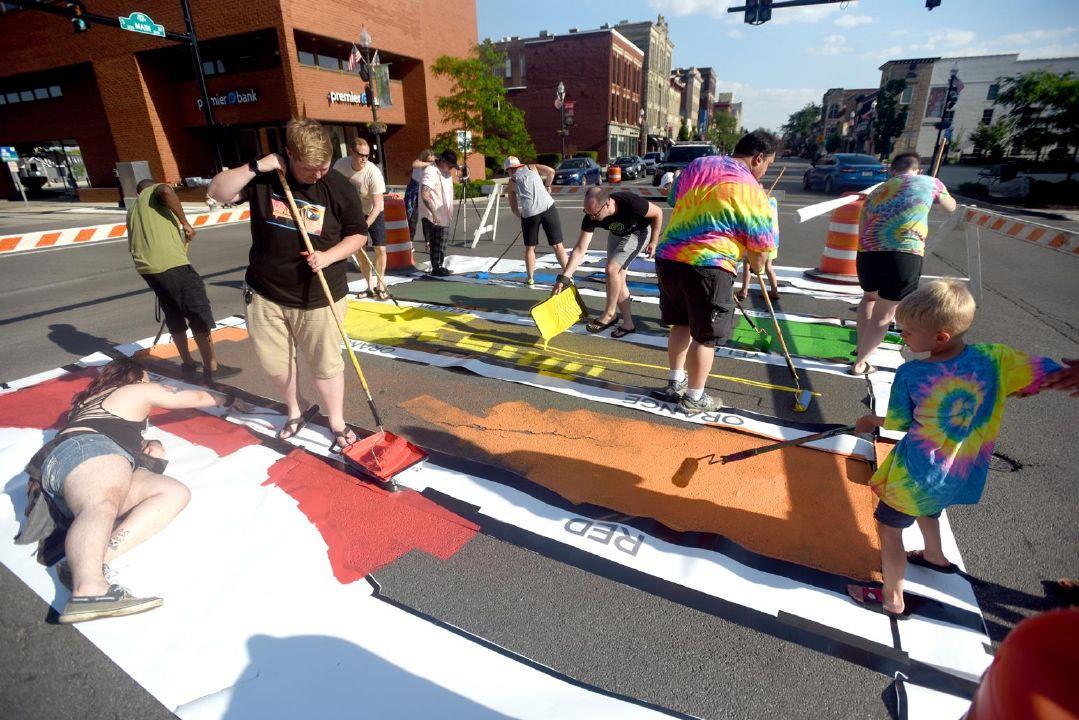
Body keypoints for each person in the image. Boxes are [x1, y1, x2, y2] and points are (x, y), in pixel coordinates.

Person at [847, 279, 1063, 617]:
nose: (901, 336)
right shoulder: (996, 358)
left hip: (917, 473)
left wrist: (869, 421)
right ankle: (935, 557)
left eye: (907, 332)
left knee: (889, 532)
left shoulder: (913, 373)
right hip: (958, 472)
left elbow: (900, 422)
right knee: (929, 507)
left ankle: (892, 599)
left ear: (940, 337)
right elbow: (1046, 372)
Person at [28, 358, 232, 623]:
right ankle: (89, 590)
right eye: (148, 378)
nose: (151, 383)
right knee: (100, 504)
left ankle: (86, 562)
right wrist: (227, 399)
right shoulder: (134, 389)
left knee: (172, 493)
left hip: (71, 466)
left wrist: (149, 446)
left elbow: (114, 431)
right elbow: (194, 397)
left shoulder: (86, 404)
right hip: (87, 451)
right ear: (134, 377)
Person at [207, 118, 367, 451]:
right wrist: (256, 165)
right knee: (275, 363)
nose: (318, 174)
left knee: (325, 363)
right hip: (266, 292)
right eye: (310, 169)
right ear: (289, 155)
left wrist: (328, 256)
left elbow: (358, 235)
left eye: (323, 167)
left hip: (319, 295)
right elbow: (217, 191)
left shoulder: (338, 186)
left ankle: (336, 421)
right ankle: (297, 409)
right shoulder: (265, 179)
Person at [647, 131, 778, 412]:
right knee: (705, 337)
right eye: (767, 164)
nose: (765, 171)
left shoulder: (697, 164)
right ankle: (694, 398)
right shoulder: (752, 190)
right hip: (708, 264)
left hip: (670, 256)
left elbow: (674, 199)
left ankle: (675, 382)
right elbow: (759, 258)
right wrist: (753, 264)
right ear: (758, 158)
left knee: (680, 323)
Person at [850, 152, 957, 375]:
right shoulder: (931, 182)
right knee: (885, 313)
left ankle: (862, 346)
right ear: (918, 170)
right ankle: (861, 362)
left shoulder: (878, 189)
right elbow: (952, 208)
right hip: (903, 253)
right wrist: (937, 190)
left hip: (867, 253)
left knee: (869, 298)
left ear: (893, 170)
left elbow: (862, 226)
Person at [127, 178, 239, 383]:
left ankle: (188, 363)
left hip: (148, 269)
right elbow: (165, 190)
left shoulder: (134, 208)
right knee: (198, 311)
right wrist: (185, 222)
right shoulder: (155, 191)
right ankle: (211, 367)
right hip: (171, 265)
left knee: (174, 313)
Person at [551, 186, 664, 338]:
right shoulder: (591, 214)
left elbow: (658, 213)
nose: (591, 218)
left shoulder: (630, 202)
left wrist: (654, 241)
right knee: (618, 276)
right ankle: (628, 324)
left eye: (595, 214)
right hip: (617, 234)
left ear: (607, 204)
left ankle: (610, 313)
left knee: (612, 270)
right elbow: (579, 249)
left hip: (638, 232)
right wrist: (564, 278)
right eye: (587, 213)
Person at [333, 138, 389, 300]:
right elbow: (334, 187)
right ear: (351, 151)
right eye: (360, 155)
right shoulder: (340, 165)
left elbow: (378, 205)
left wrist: (365, 224)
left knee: (380, 248)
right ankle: (369, 287)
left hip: (373, 211)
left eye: (367, 155)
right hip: (354, 212)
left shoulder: (373, 173)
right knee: (360, 250)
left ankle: (380, 285)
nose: (364, 158)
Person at [503, 155, 569, 285]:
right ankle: (568, 275)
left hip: (530, 214)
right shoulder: (532, 167)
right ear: (520, 165)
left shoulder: (512, 182)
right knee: (558, 246)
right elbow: (551, 172)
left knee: (530, 248)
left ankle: (530, 278)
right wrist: (548, 186)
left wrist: (520, 217)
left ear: (510, 169)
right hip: (548, 207)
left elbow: (513, 207)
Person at [420, 150, 458, 277]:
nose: (451, 168)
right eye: (450, 165)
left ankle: (439, 266)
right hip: (434, 213)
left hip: (444, 213)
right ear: (442, 161)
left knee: (442, 242)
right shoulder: (431, 171)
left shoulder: (446, 172)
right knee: (436, 242)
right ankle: (436, 267)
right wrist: (434, 213)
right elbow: (425, 194)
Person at [736, 194, 780, 301]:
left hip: (760, 238)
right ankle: (774, 291)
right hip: (773, 238)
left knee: (747, 262)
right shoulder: (772, 201)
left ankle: (744, 290)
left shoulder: (757, 203)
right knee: (768, 266)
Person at [405, 149, 435, 242]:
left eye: (432, 160)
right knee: (412, 218)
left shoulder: (432, 168)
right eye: (429, 160)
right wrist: (430, 164)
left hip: (425, 192)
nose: (432, 163)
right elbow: (414, 164)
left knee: (426, 218)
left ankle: (428, 242)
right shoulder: (419, 163)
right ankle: (410, 242)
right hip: (414, 193)